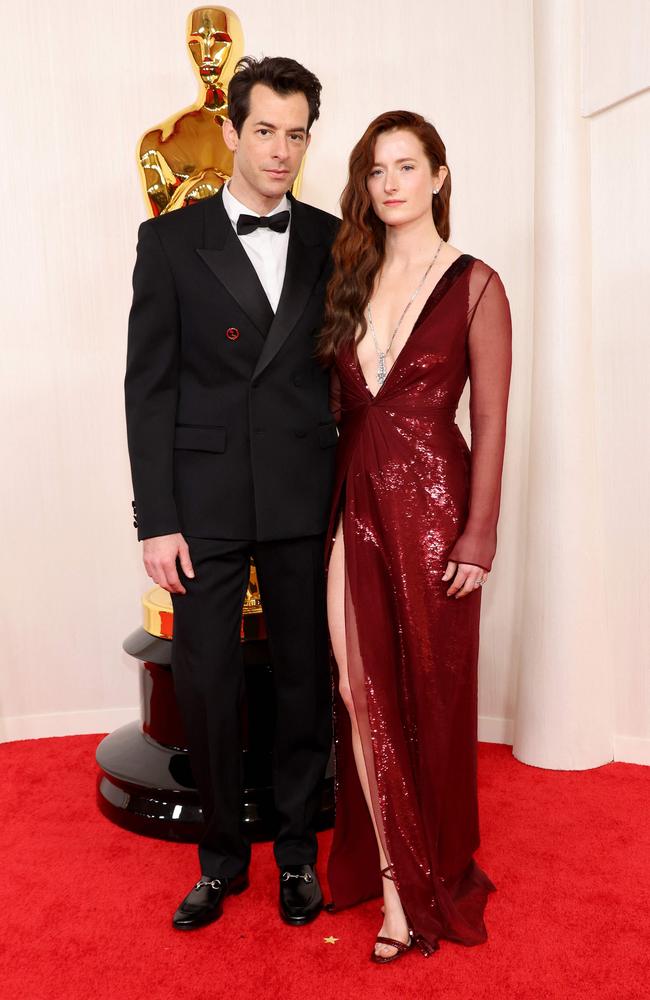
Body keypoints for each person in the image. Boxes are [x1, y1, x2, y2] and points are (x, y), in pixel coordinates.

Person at [124, 56, 339, 930]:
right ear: (232, 131)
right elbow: (148, 387)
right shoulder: (171, 241)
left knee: (302, 679)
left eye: (297, 135)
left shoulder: (333, 238)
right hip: (203, 498)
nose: (281, 151)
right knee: (209, 683)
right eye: (265, 132)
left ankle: (296, 855)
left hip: (300, 490)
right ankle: (219, 860)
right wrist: (158, 519)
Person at [320, 110, 512, 962]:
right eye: (375, 169)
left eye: (407, 166)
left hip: (437, 508)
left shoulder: (476, 283)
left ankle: (431, 871)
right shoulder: (348, 277)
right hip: (350, 504)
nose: (390, 182)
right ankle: (398, 881)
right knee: (360, 693)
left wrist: (480, 533)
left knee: (427, 700)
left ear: (438, 175)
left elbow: (494, 422)